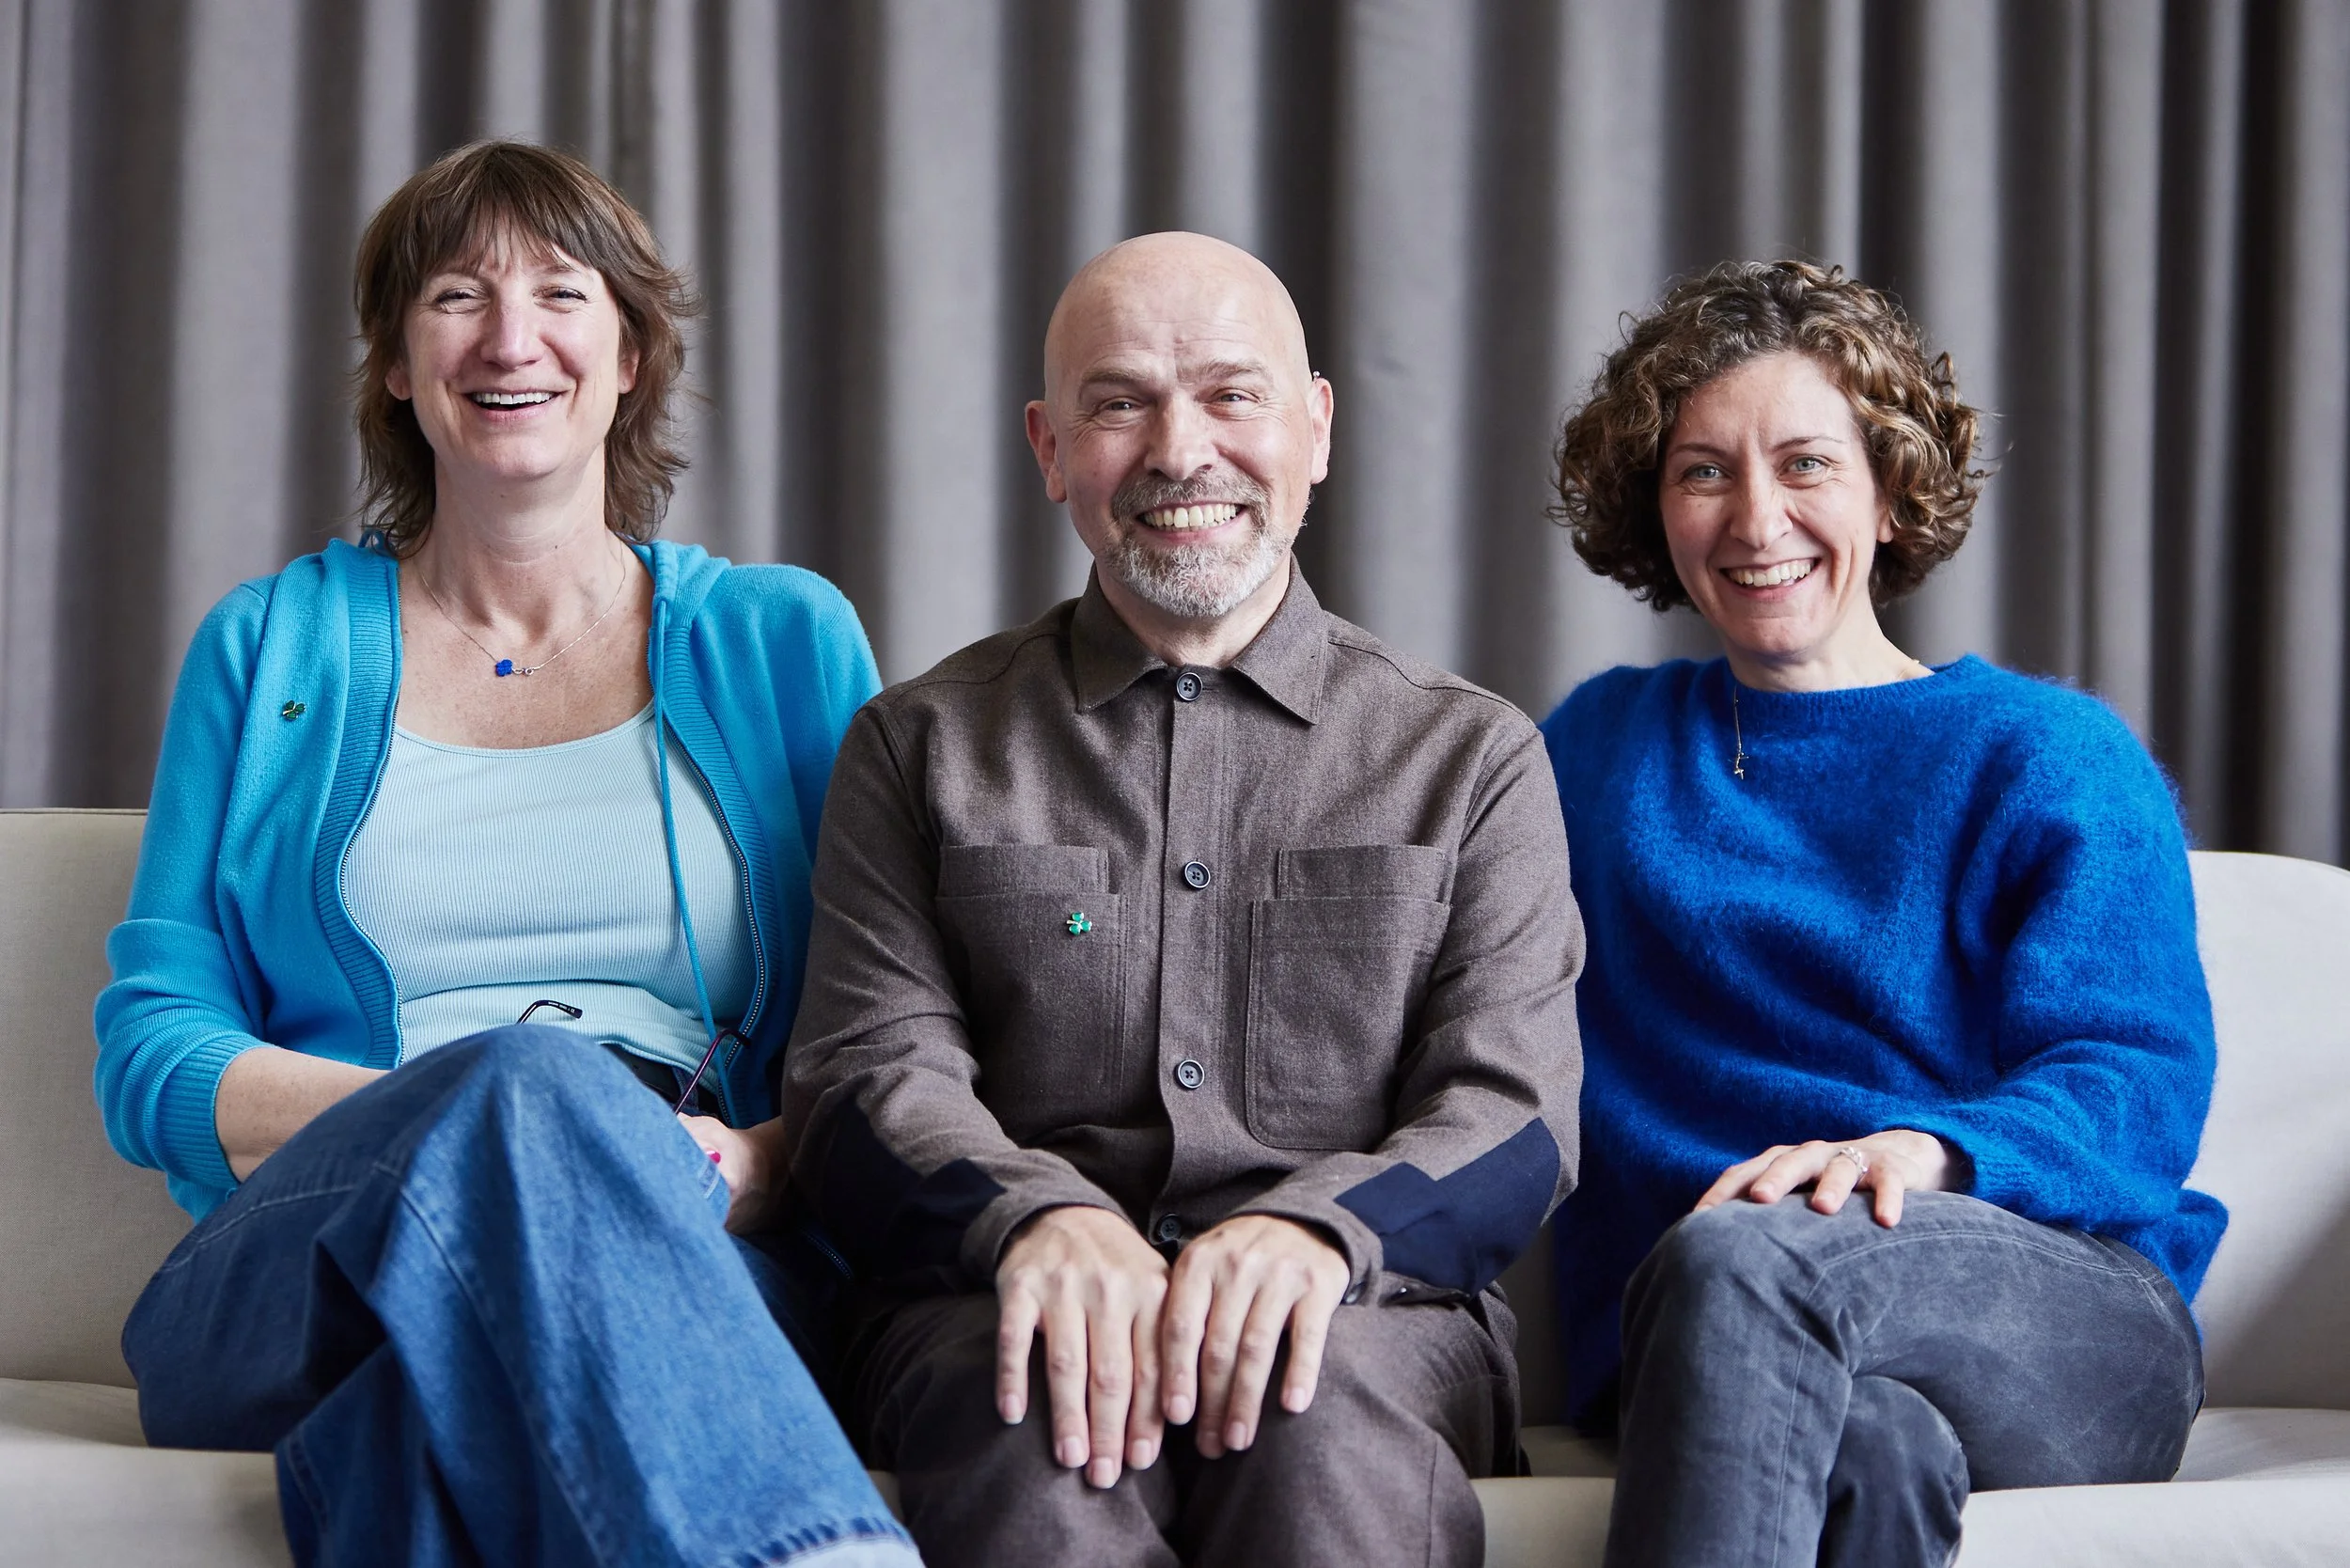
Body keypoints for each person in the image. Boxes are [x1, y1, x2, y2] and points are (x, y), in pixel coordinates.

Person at [93, 141, 916, 1568]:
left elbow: (888, 1027)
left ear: (634, 353)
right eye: (457, 296)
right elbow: (150, 1049)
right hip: (303, 1259)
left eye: (562, 293)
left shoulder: (783, 641)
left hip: (691, 1244)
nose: (511, 338)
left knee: (411, 1425)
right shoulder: (268, 644)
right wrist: (464, 1120)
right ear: (400, 364)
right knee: (525, 1090)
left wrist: (750, 1165)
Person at [779, 231, 1584, 1567]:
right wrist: (1036, 1218)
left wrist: (1319, 1234)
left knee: (1310, 1414)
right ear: (1048, 448)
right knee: (1043, 1414)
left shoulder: (1474, 758)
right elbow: (864, 1082)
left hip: (1369, 1313)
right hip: (999, 1304)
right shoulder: (917, 745)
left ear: (1315, 429)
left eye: (1231, 393)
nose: (1178, 448)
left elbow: (1514, 1117)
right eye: (1119, 402)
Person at [1539, 259, 2223, 1567]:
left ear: (1890, 488)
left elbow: (2134, 1076)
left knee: (1746, 1258)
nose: (1755, 518)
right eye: (1703, 472)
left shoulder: (2045, 752)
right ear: (1655, 509)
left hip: (2059, 1320)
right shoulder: (1600, 753)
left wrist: (1924, 1152)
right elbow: (1444, 959)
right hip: (1704, 1327)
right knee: (1872, 1452)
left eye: (1806, 464)